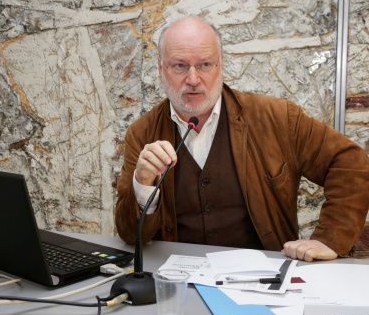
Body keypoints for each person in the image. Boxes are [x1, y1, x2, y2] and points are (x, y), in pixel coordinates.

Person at [115, 16, 369, 262]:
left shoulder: (278, 117)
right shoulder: (142, 133)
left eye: (205, 64)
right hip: (177, 279)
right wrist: (143, 183)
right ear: (161, 68)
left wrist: (330, 239)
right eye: (179, 66)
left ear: (221, 63)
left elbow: (350, 162)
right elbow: (129, 234)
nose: (193, 80)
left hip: (263, 279)